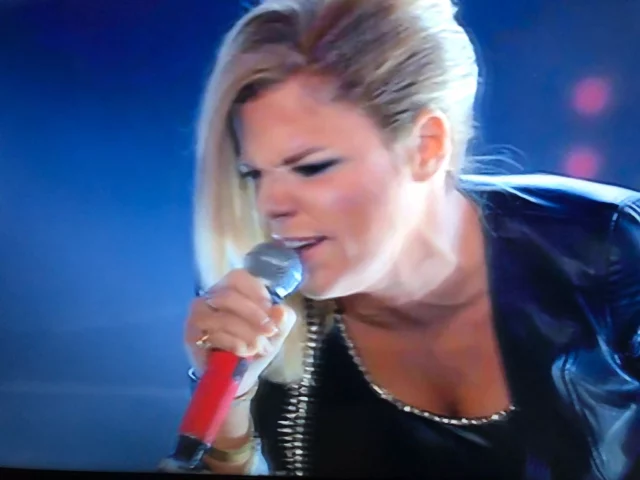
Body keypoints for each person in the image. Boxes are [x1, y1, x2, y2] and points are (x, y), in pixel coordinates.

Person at [181, 0, 640, 477]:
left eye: (312, 167)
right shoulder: (252, 303)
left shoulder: (607, 244)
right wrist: (232, 401)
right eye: (253, 174)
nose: (270, 204)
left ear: (426, 147)